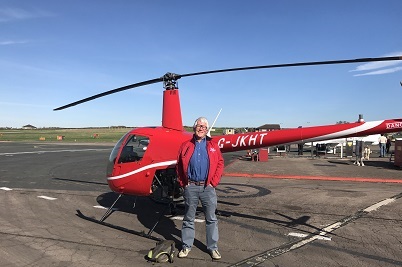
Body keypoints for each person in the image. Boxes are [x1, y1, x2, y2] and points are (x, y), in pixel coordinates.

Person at [176, 117, 224, 260]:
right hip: (191, 186)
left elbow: (220, 163)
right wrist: (183, 183)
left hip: (207, 187)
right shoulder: (185, 145)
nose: (201, 128)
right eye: (199, 125)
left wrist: (213, 183)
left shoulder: (213, 145)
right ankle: (186, 246)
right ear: (194, 127)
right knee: (188, 218)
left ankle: (213, 247)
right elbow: (178, 166)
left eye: (204, 126)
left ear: (207, 129)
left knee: (211, 218)